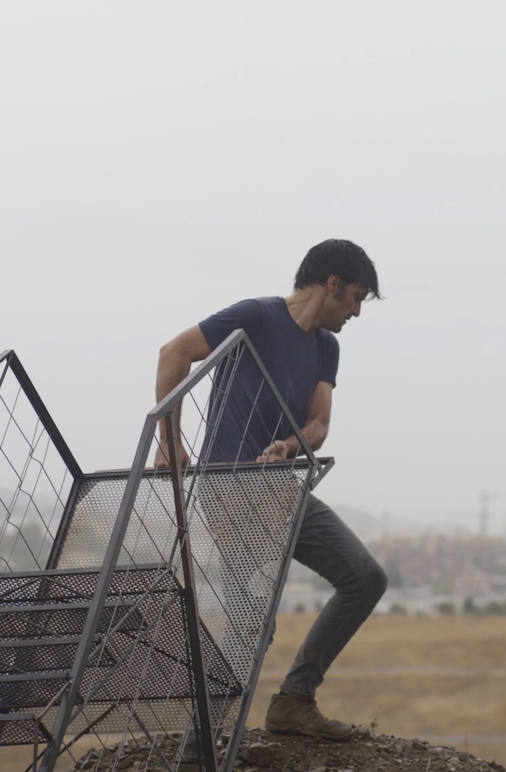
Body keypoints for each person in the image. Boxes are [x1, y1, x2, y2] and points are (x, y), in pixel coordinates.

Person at [153, 238, 388, 743]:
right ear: (333, 284)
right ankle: (203, 743)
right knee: (249, 616)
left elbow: (319, 422)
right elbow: (175, 353)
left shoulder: (327, 347)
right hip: (231, 489)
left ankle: (293, 701)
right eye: (356, 299)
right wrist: (169, 439)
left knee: (365, 578)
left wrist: (289, 444)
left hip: (284, 489)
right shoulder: (255, 317)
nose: (356, 313)